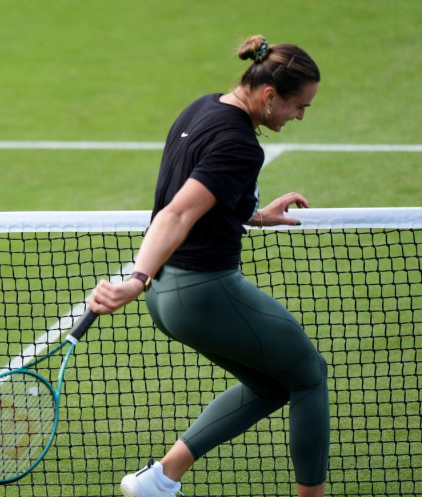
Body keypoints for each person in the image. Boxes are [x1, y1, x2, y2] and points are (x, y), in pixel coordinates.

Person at [88, 35, 328, 497]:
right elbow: (177, 212)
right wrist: (134, 279)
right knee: (310, 374)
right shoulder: (241, 143)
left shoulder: (202, 107)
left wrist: (255, 213)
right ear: (269, 95)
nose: (298, 117)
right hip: (201, 291)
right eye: (300, 107)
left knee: (274, 383)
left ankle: (161, 478)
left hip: (167, 295)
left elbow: (202, 194)